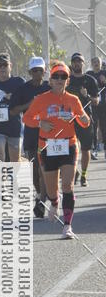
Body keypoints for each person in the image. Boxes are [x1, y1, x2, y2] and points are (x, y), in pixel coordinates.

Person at [23, 62, 90, 239]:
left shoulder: (73, 100)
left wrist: (82, 118)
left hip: (68, 145)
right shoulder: (41, 99)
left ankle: (67, 226)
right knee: (52, 189)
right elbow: (26, 118)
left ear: (68, 81)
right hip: (47, 146)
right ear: (50, 80)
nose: (60, 79)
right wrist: (41, 123)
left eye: (63, 77)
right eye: (56, 76)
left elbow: (84, 121)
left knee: (67, 185)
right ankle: (54, 201)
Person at [10, 56, 50, 218]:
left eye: (40, 70)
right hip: (31, 135)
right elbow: (13, 111)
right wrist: (30, 104)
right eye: (34, 70)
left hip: (48, 135)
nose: (37, 73)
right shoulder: (23, 89)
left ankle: (42, 201)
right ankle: (40, 194)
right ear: (29, 72)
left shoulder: (49, 87)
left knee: (43, 169)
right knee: (34, 171)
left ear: (44, 71)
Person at [0, 53, 25, 163]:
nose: (2, 68)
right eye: (0, 65)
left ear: (10, 66)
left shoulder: (19, 81)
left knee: (15, 159)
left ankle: (15, 174)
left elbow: (25, 98)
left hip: (14, 125)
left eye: (5, 65)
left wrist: (12, 98)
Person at [67, 52, 99, 185]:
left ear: (83, 64)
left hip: (85, 119)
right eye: (74, 61)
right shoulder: (66, 79)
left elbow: (96, 101)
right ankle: (74, 172)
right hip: (68, 119)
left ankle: (84, 175)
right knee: (70, 148)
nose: (77, 64)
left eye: (79, 61)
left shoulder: (90, 80)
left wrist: (86, 96)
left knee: (86, 149)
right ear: (71, 64)